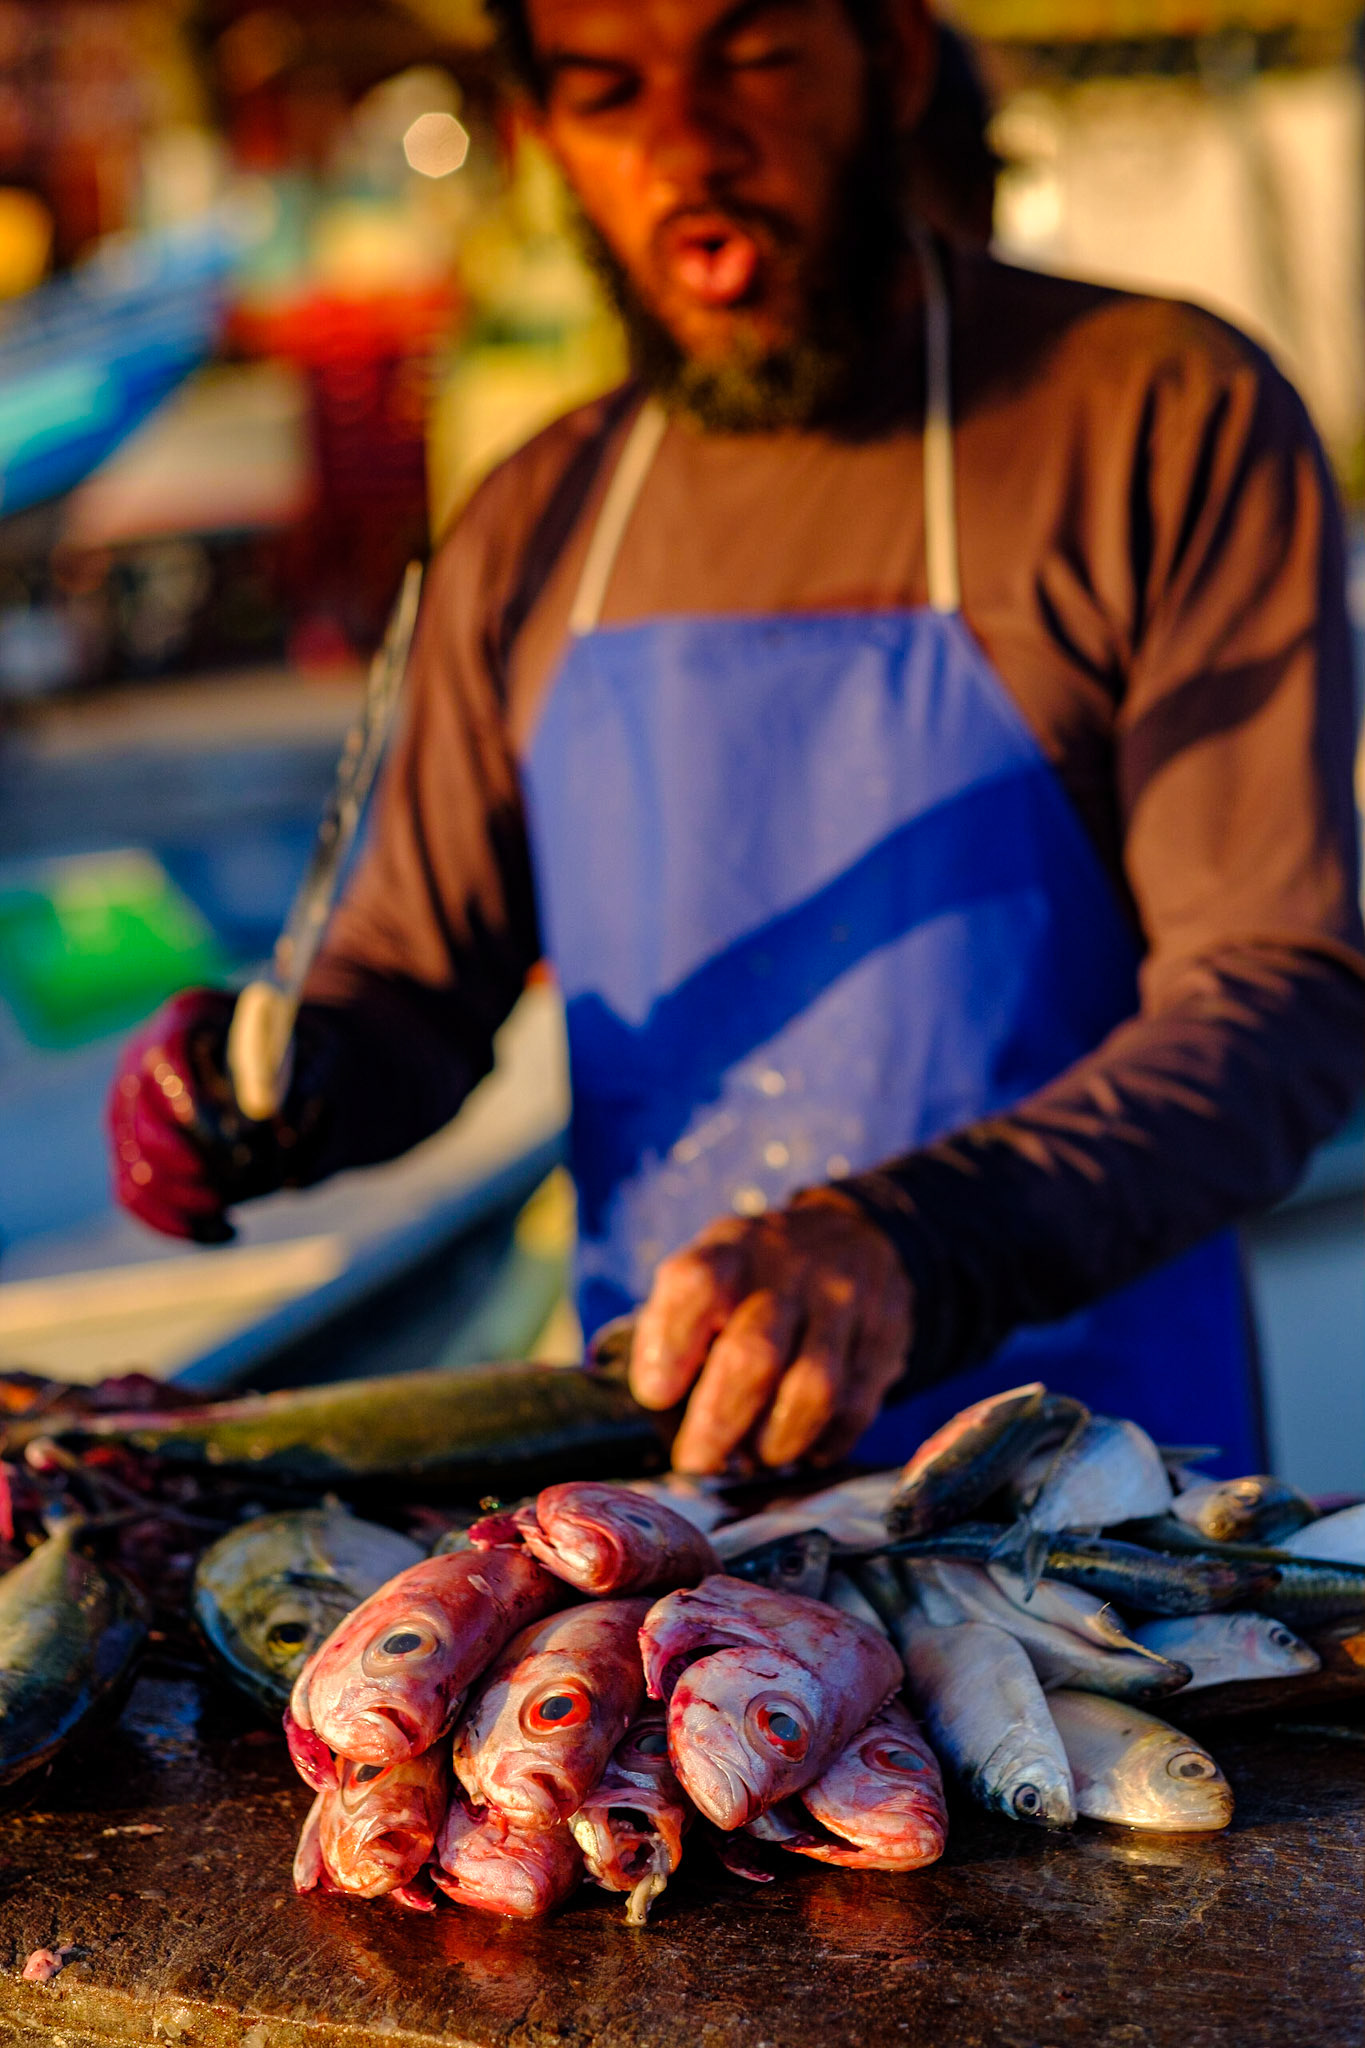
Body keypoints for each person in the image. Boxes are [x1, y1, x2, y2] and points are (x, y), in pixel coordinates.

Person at [109, 0, 1364, 1478]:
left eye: (753, 59)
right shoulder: (536, 520)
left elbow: (1276, 1003)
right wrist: (270, 1091)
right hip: (676, 1531)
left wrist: (911, 1241)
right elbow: (410, 988)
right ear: (547, 138)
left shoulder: (1151, 415)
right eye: (605, 90)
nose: (685, 146)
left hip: (1100, 1517)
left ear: (890, 62)